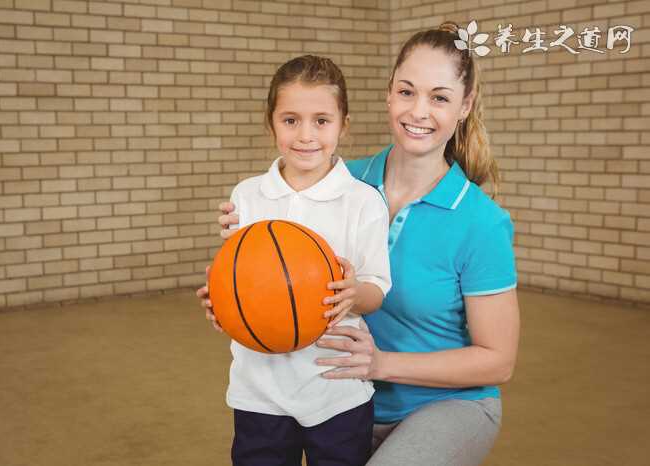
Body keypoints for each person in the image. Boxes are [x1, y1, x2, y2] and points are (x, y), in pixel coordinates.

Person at [206, 23, 520, 466]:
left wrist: (381, 364)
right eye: (407, 91)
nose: (419, 111)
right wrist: (235, 281)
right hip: (336, 392)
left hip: (437, 403)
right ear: (389, 94)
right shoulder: (331, 178)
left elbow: (498, 362)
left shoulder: (481, 222)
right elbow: (267, 252)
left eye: (440, 97)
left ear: (465, 105)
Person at [197, 55, 392, 466]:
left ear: (344, 124)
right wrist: (222, 303)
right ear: (270, 123)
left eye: (321, 120)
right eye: (290, 120)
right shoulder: (246, 196)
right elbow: (238, 280)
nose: (306, 135)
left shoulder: (363, 202)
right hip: (259, 388)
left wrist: (353, 293)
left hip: (336, 385)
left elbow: (376, 291)